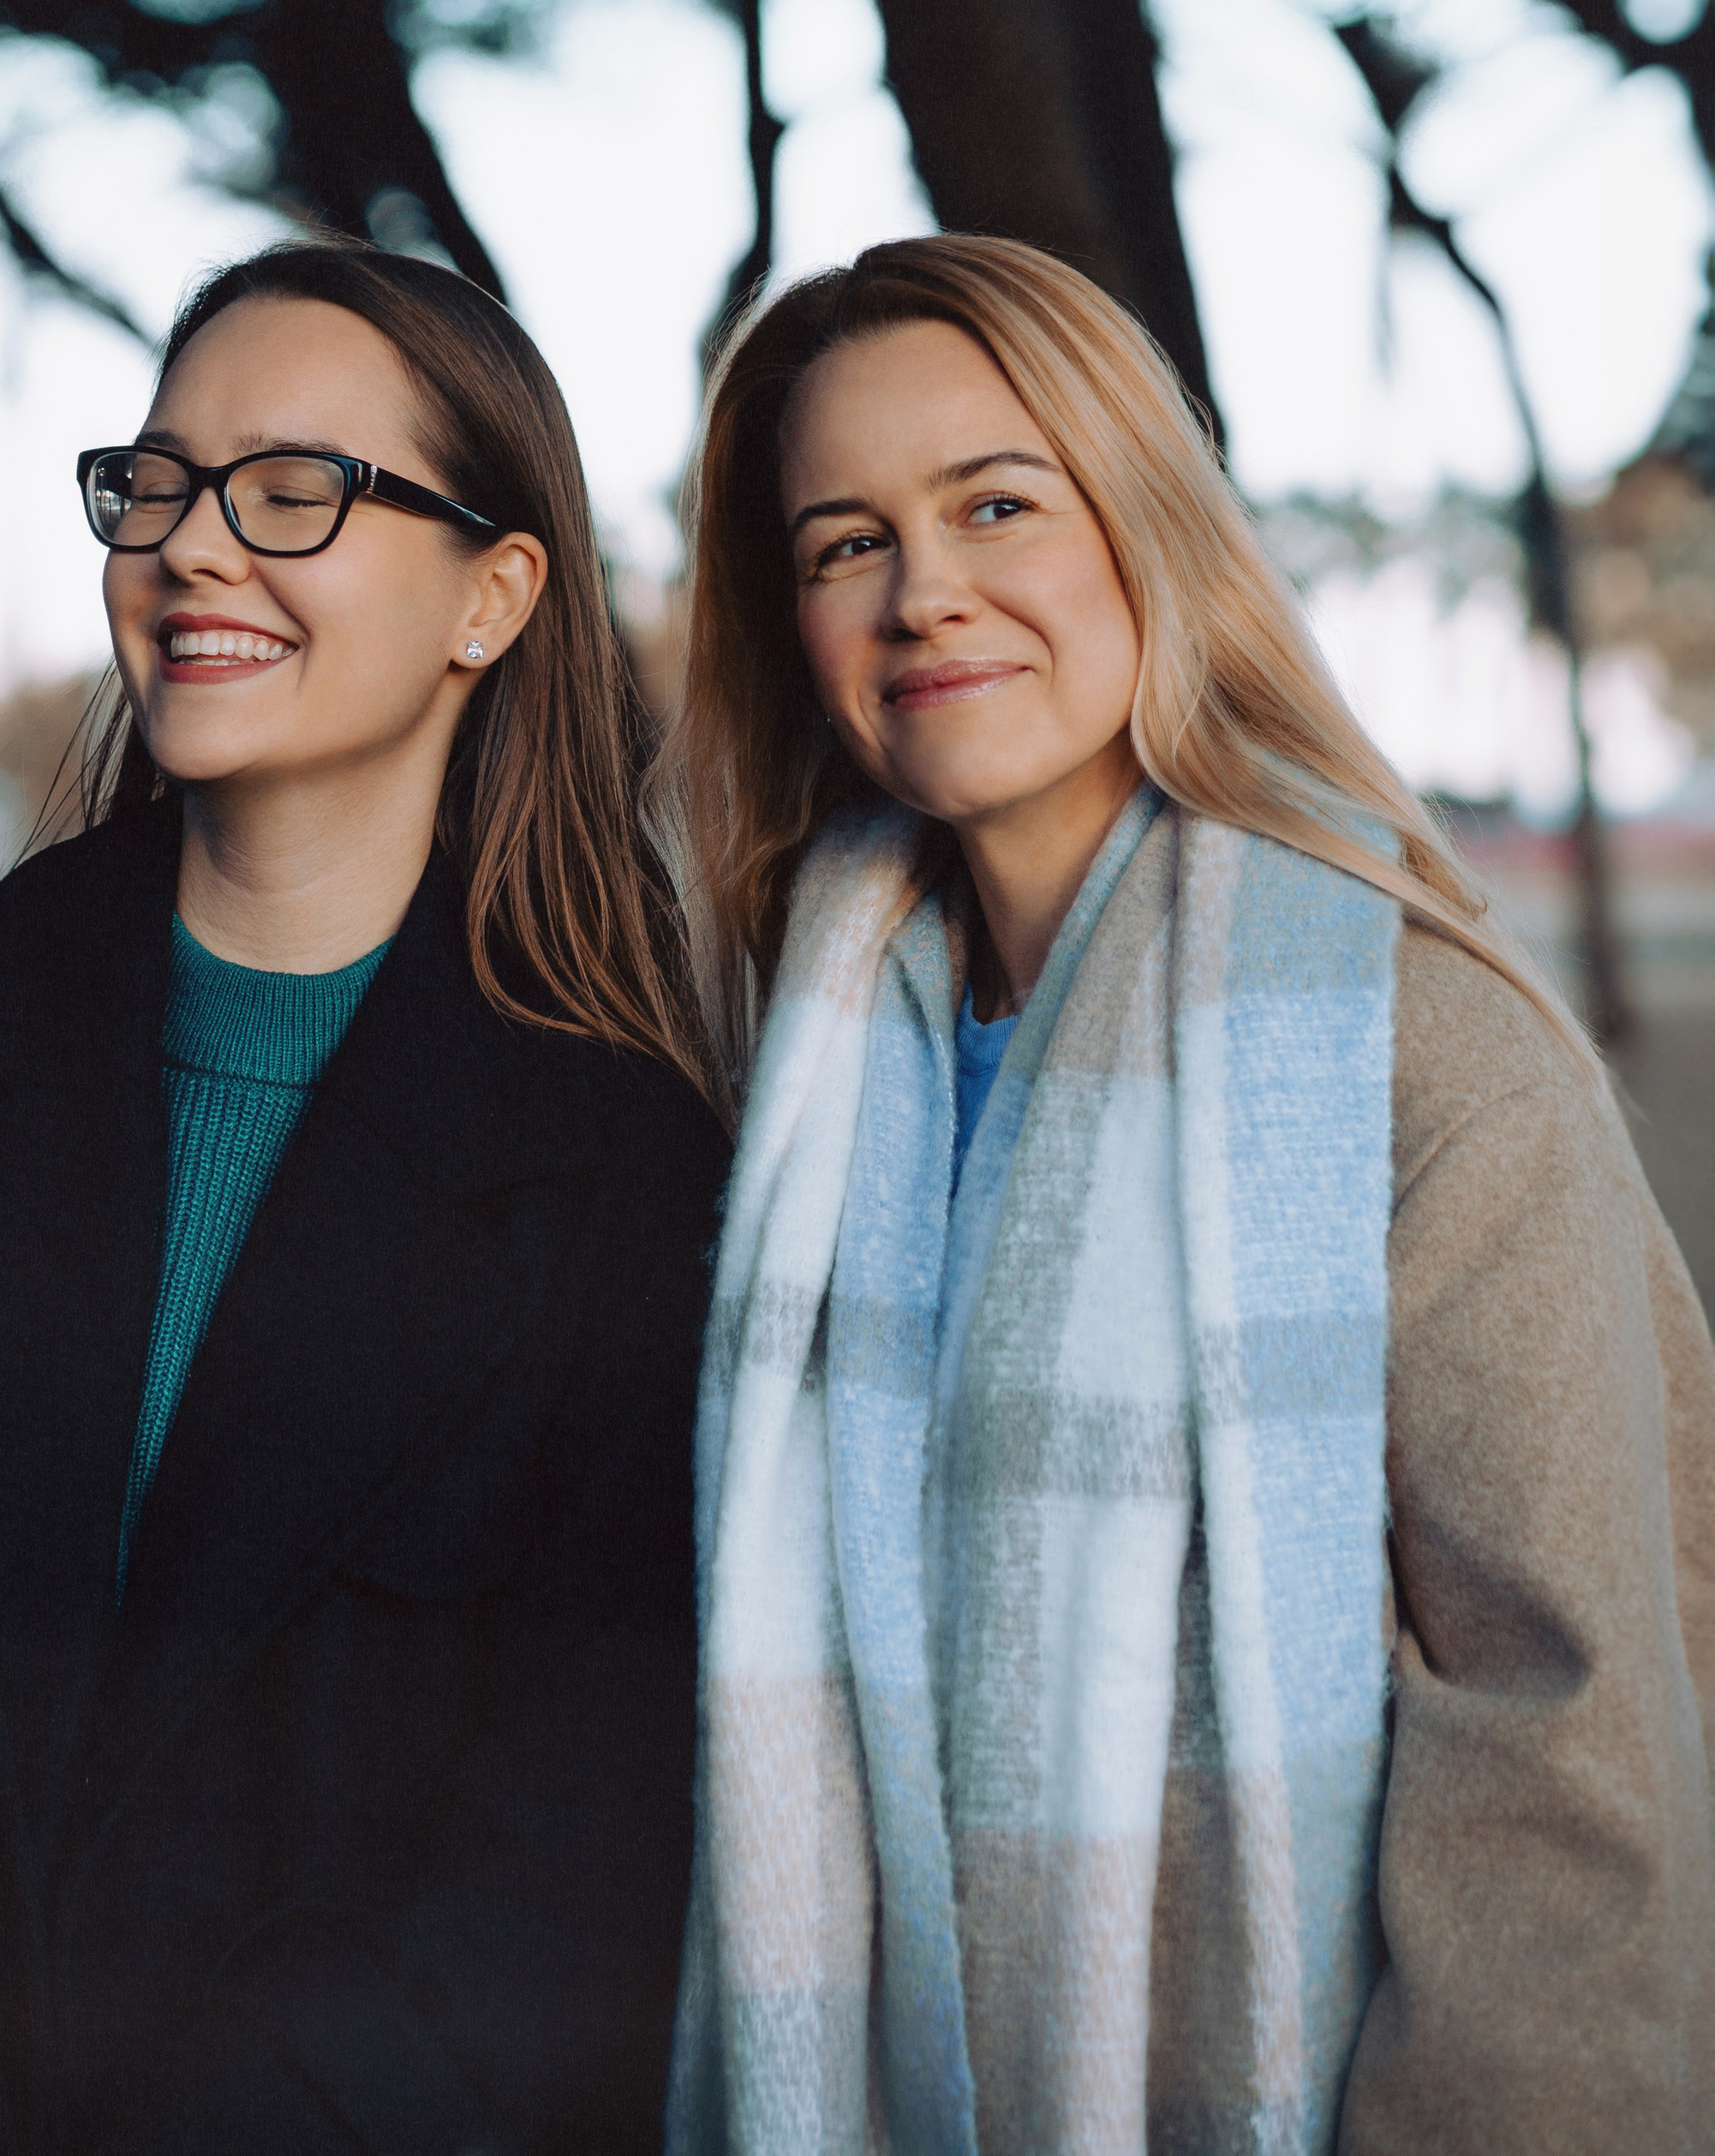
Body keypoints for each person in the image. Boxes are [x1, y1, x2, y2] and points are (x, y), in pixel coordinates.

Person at [0, 241, 728, 2156]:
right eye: (159, 483)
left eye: (294, 490)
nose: (189, 546)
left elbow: (573, 1844)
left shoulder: (633, 1173)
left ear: (493, 596)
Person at [659, 234, 1715, 2155]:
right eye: (843, 543)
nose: (922, 591)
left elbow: (1572, 1745)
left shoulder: (1416, 1046)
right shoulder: (798, 1090)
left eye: (996, 503)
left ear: (1142, 525)